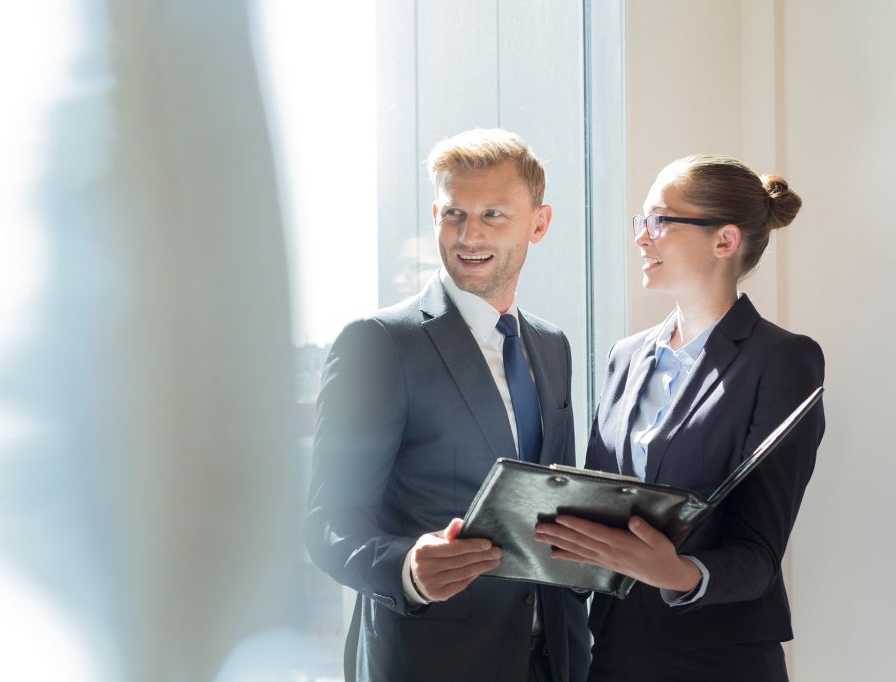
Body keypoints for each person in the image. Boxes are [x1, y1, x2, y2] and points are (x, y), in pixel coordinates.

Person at [305, 128, 591, 681]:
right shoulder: (379, 343)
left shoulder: (552, 345)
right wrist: (410, 569)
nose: (469, 235)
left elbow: (553, 500)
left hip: (553, 660)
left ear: (539, 223)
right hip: (429, 662)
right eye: (454, 214)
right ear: (436, 213)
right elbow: (329, 525)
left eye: (492, 215)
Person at [534, 154, 825, 681]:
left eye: (660, 221)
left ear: (724, 241)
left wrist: (679, 573)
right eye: (640, 222)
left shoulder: (783, 360)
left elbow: (759, 553)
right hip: (617, 652)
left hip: (719, 660)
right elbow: (599, 505)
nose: (642, 238)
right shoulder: (625, 357)